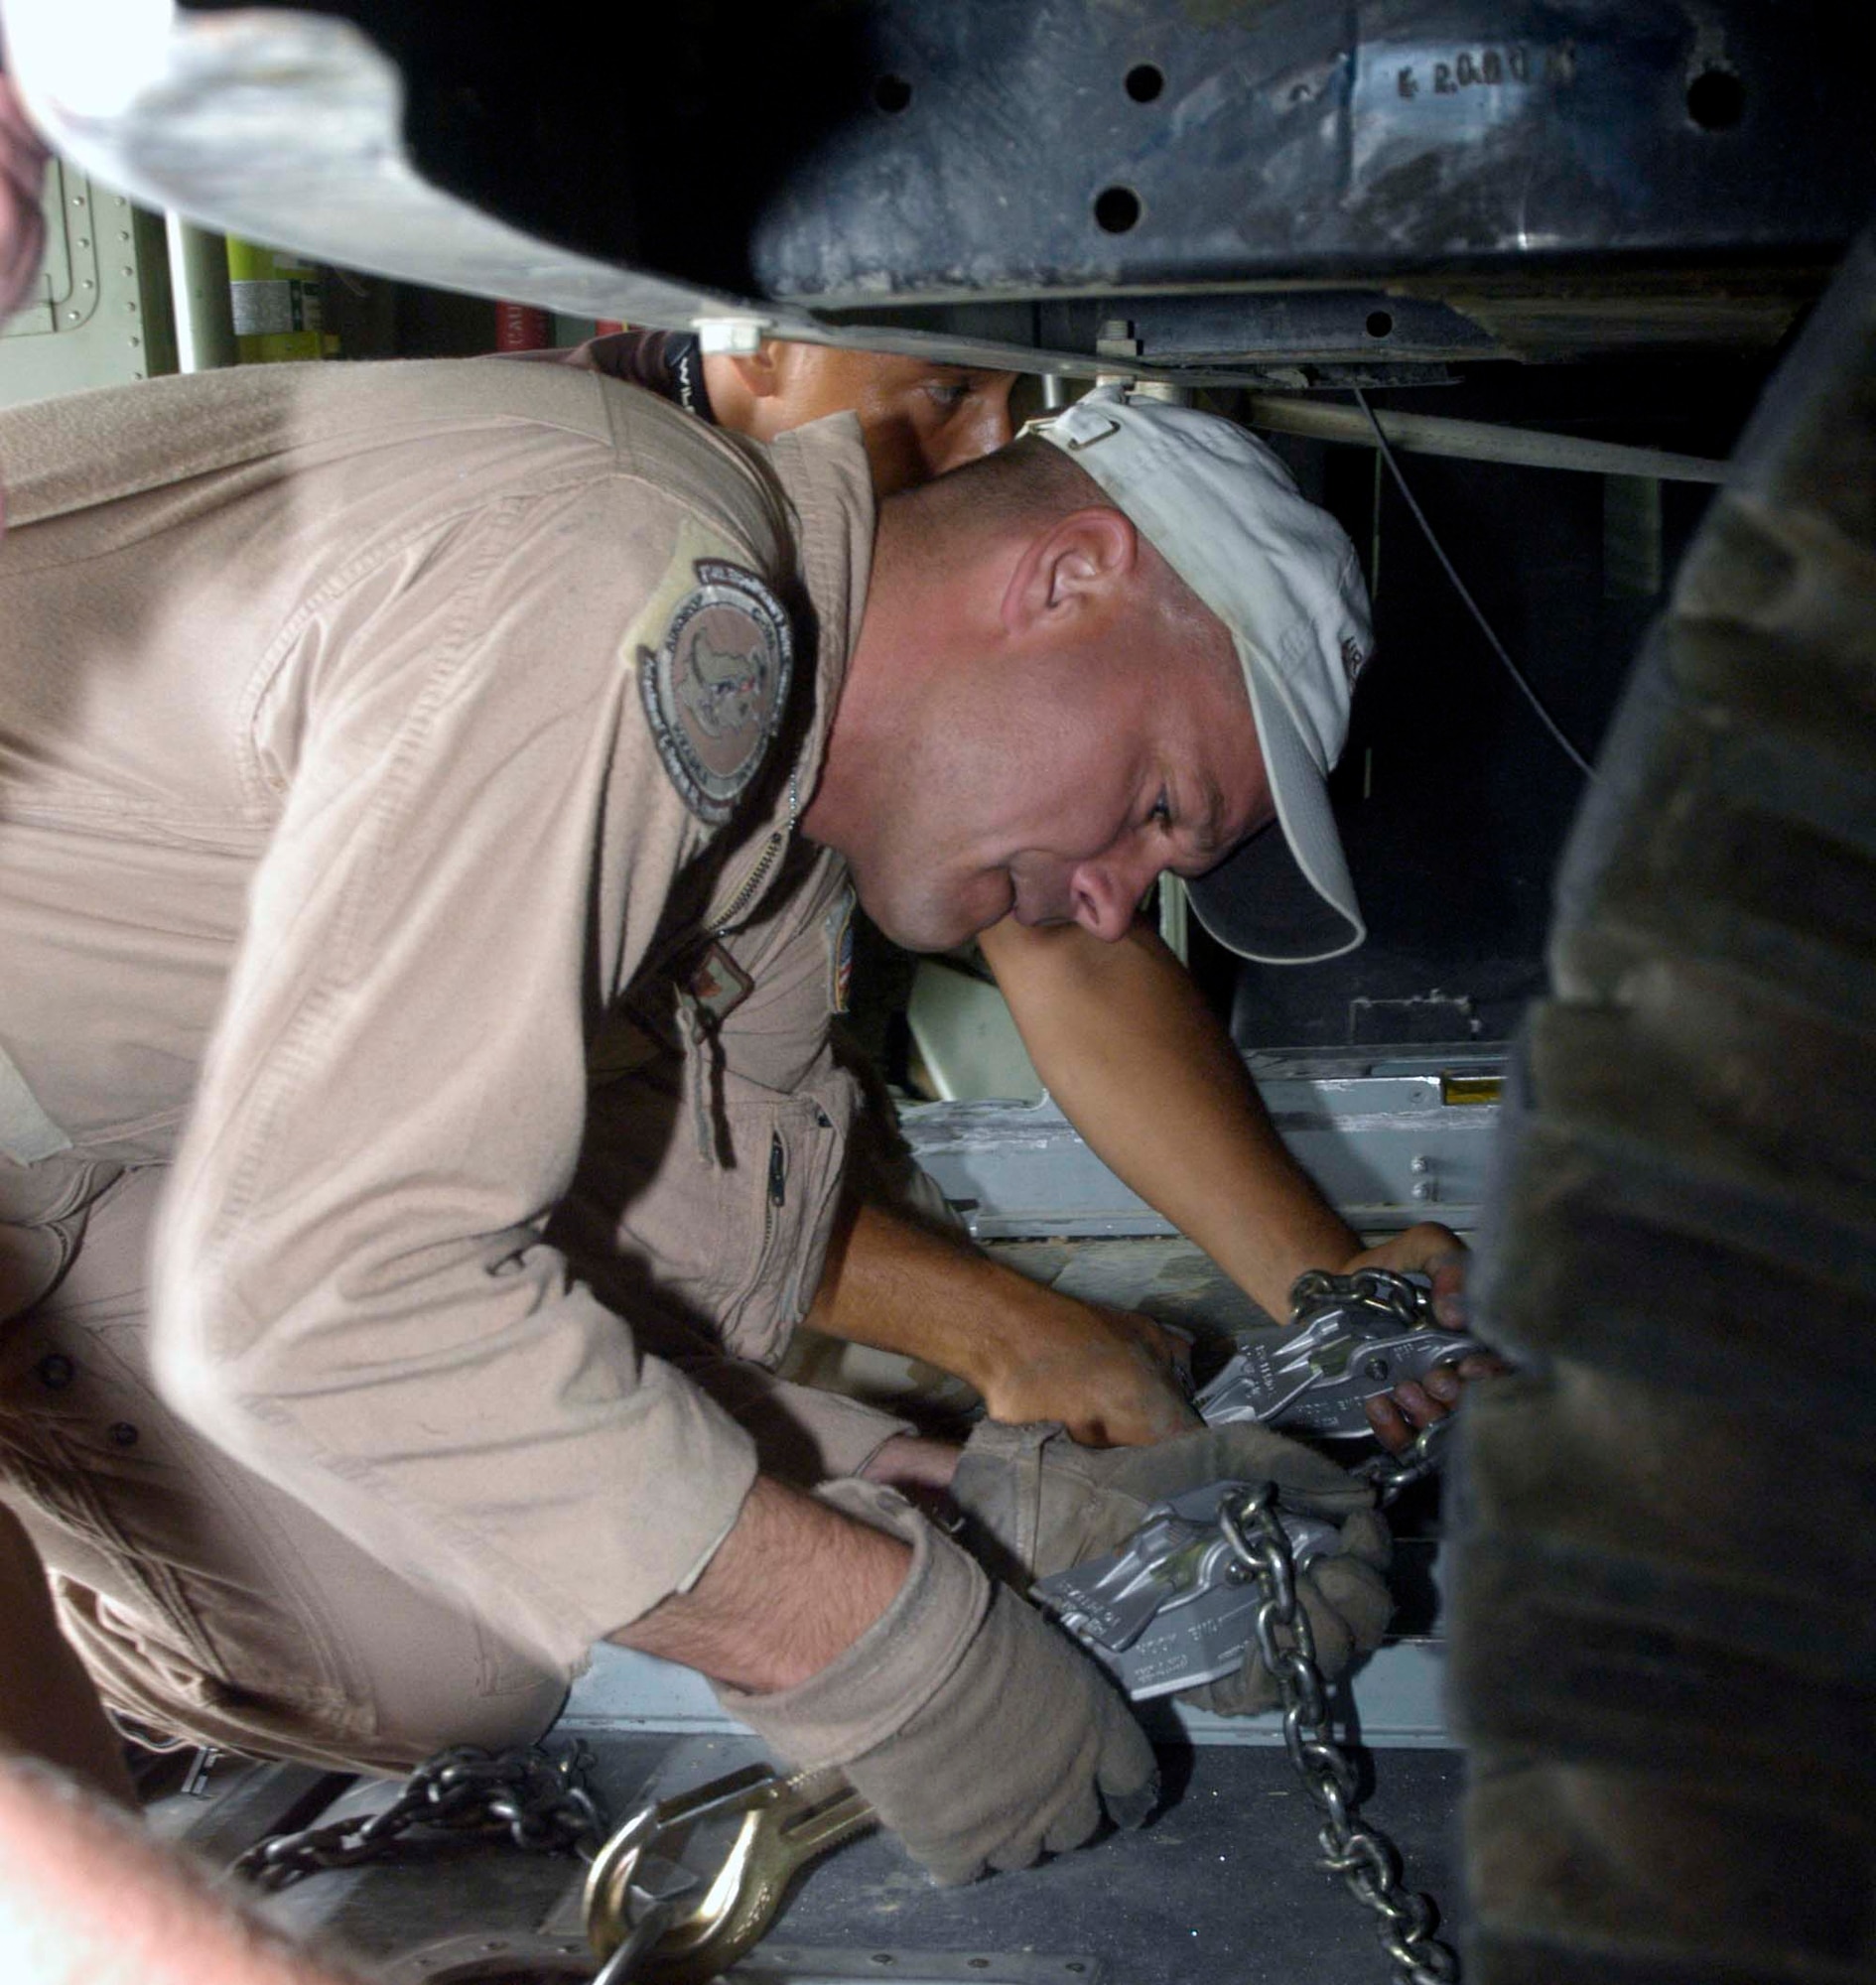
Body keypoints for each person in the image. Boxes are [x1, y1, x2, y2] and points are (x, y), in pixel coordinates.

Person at [1, 340, 1422, 1881]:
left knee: (515, 1552)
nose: (1106, 898)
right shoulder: (625, 574)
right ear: (1065, 577)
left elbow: (624, 1297)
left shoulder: (780, 832)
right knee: (450, 1648)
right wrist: (875, 1647)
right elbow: (335, 1299)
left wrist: (982, 1508)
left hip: (129, 1172)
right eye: (1156, 807)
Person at [544, 324, 1489, 1456]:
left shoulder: (864, 648)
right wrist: (994, 1329)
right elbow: (474, 1155)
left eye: (1012, 392)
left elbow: (1060, 938)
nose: (990, 442)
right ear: (760, 342)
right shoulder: (585, 586)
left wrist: (1324, 1281)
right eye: (947, 386)